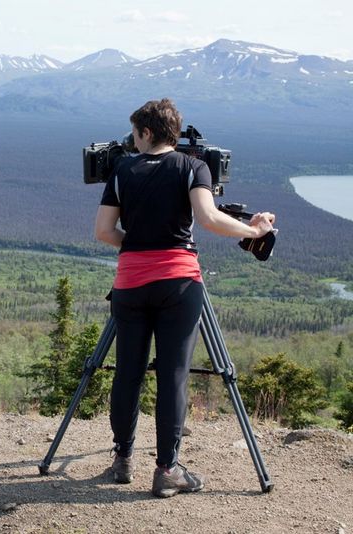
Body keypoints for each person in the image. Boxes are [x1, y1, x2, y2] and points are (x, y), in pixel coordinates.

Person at [93, 98, 275, 498]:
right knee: (173, 375)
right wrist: (255, 231)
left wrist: (139, 245)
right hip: (179, 283)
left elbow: (105, 232)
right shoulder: (194, 167)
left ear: (146, 132)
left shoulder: (122, 170)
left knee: (128, 372)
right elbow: (208, 219)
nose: (133, 141)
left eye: (136, 134)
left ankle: (122, 461)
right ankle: (167, 471)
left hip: (130, 284)